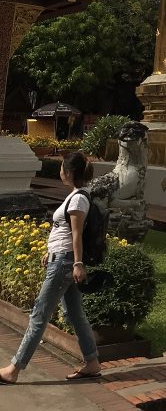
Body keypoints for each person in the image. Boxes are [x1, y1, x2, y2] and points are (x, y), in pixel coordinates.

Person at [0, 151, 101, 385]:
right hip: (62, 259)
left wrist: (77, 263)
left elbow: (77, 235)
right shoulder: (76, 196)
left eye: (63, 168)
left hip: (65, 263)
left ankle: (14, 369)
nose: (60, 171)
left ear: (69, 172)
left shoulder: (78, 199)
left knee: (39, 315)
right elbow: (64, 231)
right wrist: (50, 250)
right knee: (74, 314)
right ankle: (92, 362)